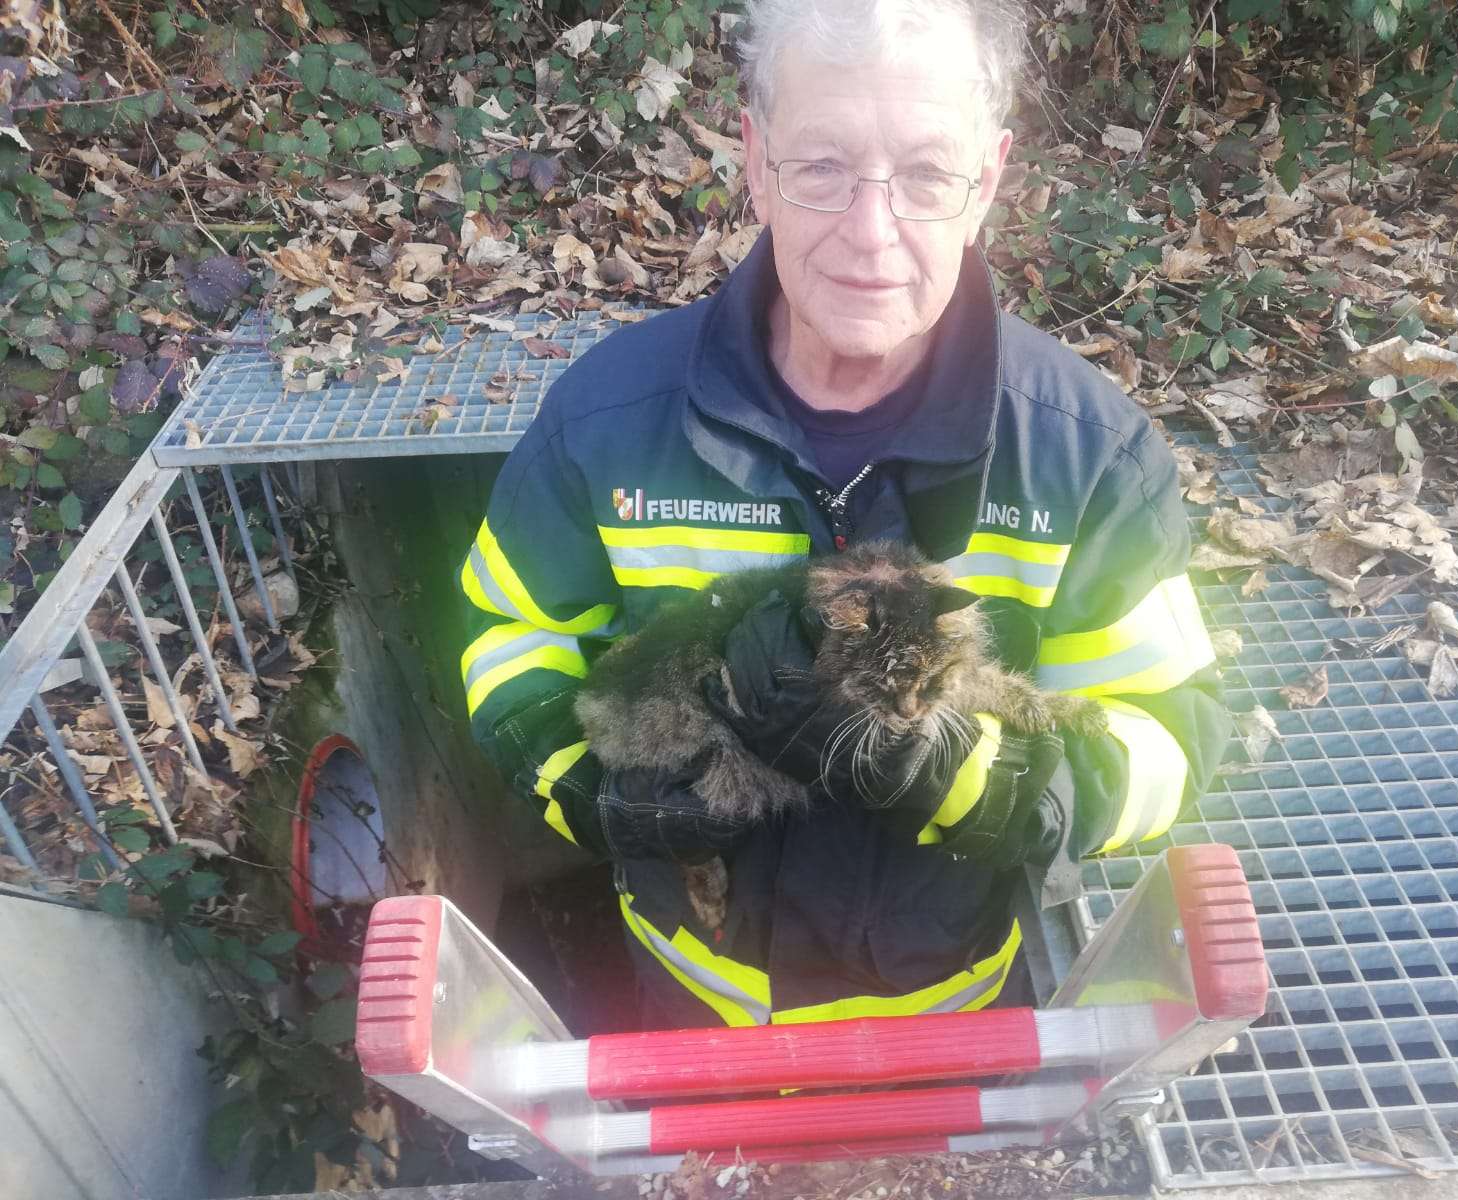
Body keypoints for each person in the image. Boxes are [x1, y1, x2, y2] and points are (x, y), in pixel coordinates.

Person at [459, 0, 1228, 1031]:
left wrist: (975, 778)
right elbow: (509, 638)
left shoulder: (1087, 459)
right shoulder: (607, 423)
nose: (871, 234)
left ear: (987, 181)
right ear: (756, 161)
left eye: (925, 173)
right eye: (822, 167)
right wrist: (589, 790)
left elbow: (1166, 735)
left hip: (952, 1017)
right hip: (689, 1007)